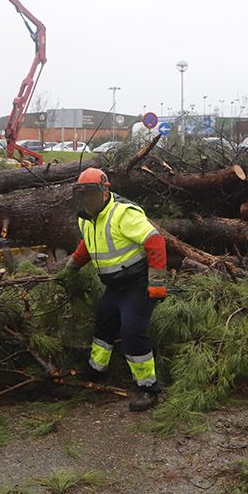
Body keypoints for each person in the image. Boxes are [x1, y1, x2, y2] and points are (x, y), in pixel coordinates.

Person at [63, 167, 168, 411]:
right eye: (82, 194)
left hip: (137, 284)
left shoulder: (123, 214)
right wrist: (70, 268)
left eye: (91, 193)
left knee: (132, 331)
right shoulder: (87, 218)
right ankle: (96, 369)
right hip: (114, 287)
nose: (86, 199)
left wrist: (157, 283)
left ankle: (147, 388)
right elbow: (88, 246)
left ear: (104, 191)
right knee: (103, 324)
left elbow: (155, 241)